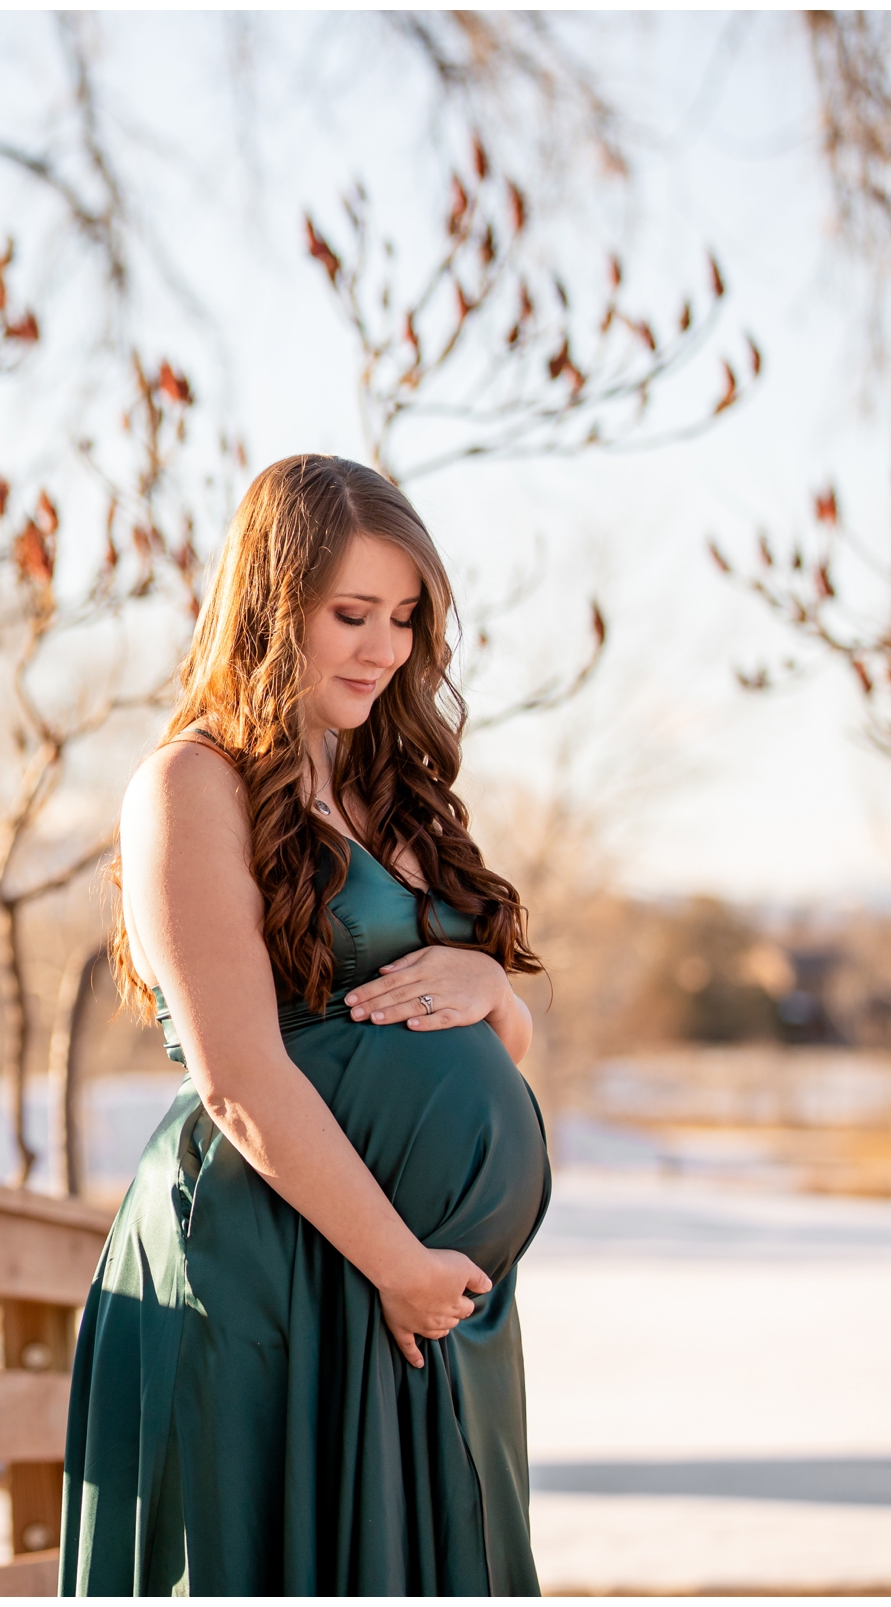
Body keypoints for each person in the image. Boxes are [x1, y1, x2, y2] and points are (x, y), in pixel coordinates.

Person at [59, 454, 551, 1596]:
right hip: (275, 1258)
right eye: (351, 614)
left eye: (405, 617)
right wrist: (399, 1263)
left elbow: (474, 1050)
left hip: (409, 1285)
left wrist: (496, 995)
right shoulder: (192, 785)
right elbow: (237, 1074)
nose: (384, 648)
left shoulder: (393, 788)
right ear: (272, 606)